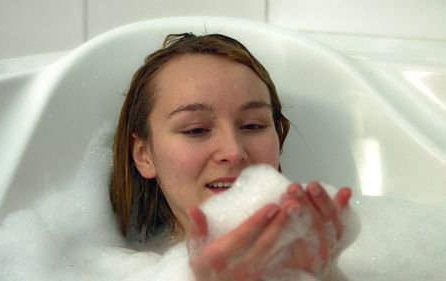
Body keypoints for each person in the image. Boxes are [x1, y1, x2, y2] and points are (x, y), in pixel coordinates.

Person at [109, 33, 352, 281]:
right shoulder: (110, 269)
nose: (234, 152)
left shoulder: (346, 255)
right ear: (144, 155)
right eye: (196, 130)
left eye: (253, 126)